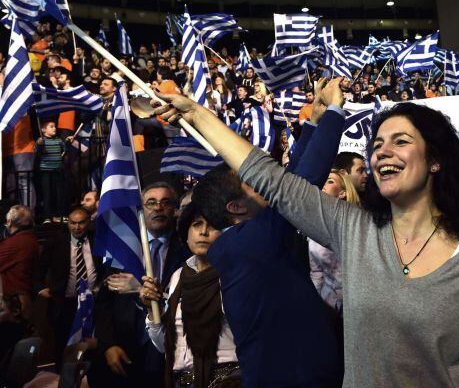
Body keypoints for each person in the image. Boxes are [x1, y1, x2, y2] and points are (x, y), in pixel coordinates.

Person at [154, 81, 459, 388]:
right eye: (377, 144)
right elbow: (273, 179)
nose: (381, 151)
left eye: (400, 141)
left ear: (435, 160)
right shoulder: (354, 230)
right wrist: (195, 112)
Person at [188, 78, 344, 387]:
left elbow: (288, 185)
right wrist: (336, 111)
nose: (262, 182)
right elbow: (301, 186)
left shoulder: (247, 240)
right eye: (250, 182)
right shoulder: (254, 242)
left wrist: (313, 121)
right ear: (236, 207)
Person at [91, 183, 188, 388]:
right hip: (123, 350)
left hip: (166, 348)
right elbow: (103, 304)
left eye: (165, 202)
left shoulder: (188, 251)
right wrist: (109, 345)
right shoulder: (123, 249)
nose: (158, 207)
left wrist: (141, 288)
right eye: (151, 203)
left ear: (175, 210)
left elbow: (187, 298)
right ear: (142, 210)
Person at [140, 203, 240, 387]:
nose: (203, 232)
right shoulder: (179, 276)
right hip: (181, 381)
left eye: (212, 226)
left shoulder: (234, 274)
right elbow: (165, 345)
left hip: (227, 379)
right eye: (197, 225)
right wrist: (152, 310)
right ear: (186, 235)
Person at [38, 206, 102, 367]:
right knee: (62, 344)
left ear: (88, 222)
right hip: (64, 303)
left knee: (91, 344)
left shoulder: (98, 241)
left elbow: (106, 267)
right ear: (68, 223)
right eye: (73, 223)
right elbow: (38, 267)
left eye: (81, 223)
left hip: (92, 303)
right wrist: (40, 287)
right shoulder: (56, 242)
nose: (77, 227)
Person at [309, 169, 359, 315]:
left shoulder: (357, 223)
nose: (323, 184)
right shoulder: (312, 226)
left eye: (330, 181)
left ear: (342, 193)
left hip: (356, 306)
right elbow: (317, 272)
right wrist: (317, 306)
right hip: (329, 303)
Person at [35, 119, 69, 220]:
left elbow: (65, 150)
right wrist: (39, 144)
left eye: (55, 126)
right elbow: (37, 152)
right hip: (46, 172)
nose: (54, 128)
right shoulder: (41, 140)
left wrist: (67, 141)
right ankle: (47, 217)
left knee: (59, 194)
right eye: (51, 126)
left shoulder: (58, 140)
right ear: (43, 130)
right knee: (47, 195)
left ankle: (60, 215)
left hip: (58, 171)